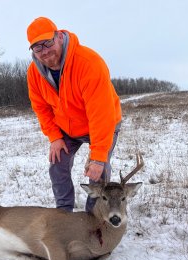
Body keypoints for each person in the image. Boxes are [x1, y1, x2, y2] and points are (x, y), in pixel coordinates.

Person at [26, 17, 122, 212]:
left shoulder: (88, 63)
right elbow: (41, 108)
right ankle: (63, 213)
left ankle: (93, 217)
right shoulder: (34, 73)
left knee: (98, 172)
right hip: (67, 128)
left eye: (48, 43)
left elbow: (101, 114)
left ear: (59, 37)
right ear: (32, 51)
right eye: (38, 48)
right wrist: (54, 137)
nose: (45, 51)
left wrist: (97, 157)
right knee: (57, 165)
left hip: (102, 123)